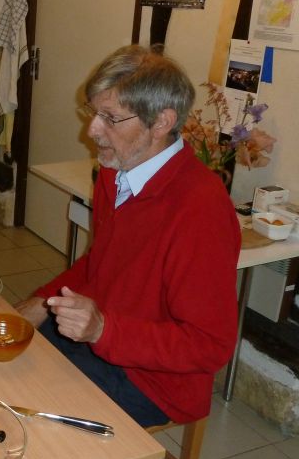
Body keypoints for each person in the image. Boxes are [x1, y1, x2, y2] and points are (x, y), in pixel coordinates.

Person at [17, 45, 240, 427]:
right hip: (107, 337)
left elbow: (209, 346)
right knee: (6, 366)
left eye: (111, 118)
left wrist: (103, 329)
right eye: (93, 113)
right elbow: (99, 261)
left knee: (30, 421)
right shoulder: (115, 172)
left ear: (161, 122)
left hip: (154, 382)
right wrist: (41, 302)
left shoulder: (200, 210)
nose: (92, 130)